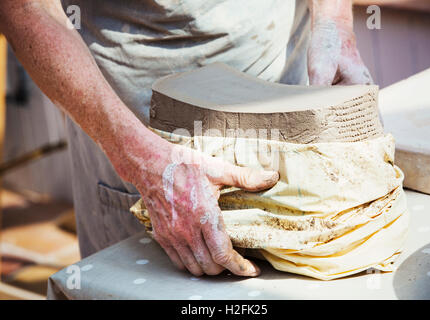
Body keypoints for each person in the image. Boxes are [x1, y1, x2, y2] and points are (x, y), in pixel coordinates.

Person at [0, 0, 372, 277]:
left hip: (277, 66)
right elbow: (24, 11)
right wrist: (143, 164)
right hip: (134, 119)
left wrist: (334, 21)